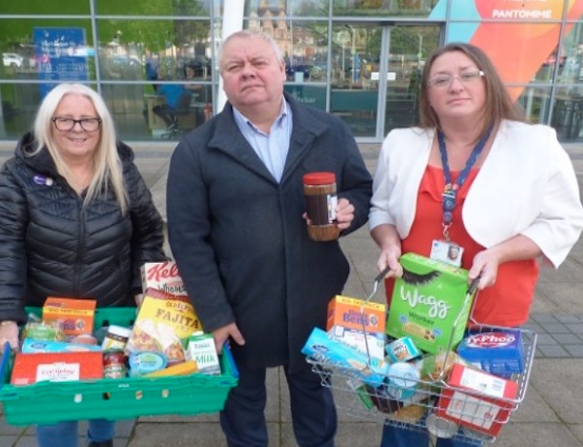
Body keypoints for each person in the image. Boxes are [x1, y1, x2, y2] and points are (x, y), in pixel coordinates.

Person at [369, 42, 583, 447]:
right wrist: (387, 241)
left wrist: (502, 252)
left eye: (468, 74)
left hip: (490, 318)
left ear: (489, 82)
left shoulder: (534, 145)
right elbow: (380, 210)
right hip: (415, 312)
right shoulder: (401, 144)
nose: (456, 85)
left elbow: (564, 220)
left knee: (465, 431)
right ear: (428, 95)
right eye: (441, 79)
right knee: (403, 423)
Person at [166, 30, 373, 447]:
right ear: (222, 80)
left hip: (314, 295)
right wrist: (215, 314)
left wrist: (351, 210)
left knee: (315, 401)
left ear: (282, 69)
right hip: (238, 303)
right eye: (234, 67)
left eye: (259, 63)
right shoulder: (196, 150)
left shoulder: (328, 131)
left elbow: (361, 190)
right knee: (242, 406)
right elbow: (189, 239)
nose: (248, 73)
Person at [0, 83, 167, 447]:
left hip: (110, 311)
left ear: (102, 125)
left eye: (87, 120)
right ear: (48, 124)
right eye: (65, 119)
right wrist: (6, 319)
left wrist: (140, 288)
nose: (77, 129)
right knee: (54, 408)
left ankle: (103, 440)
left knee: (108, 391)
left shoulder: (121, 170)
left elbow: (147, 233)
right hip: (48, 322)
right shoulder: (18, 174)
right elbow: (4, 246)